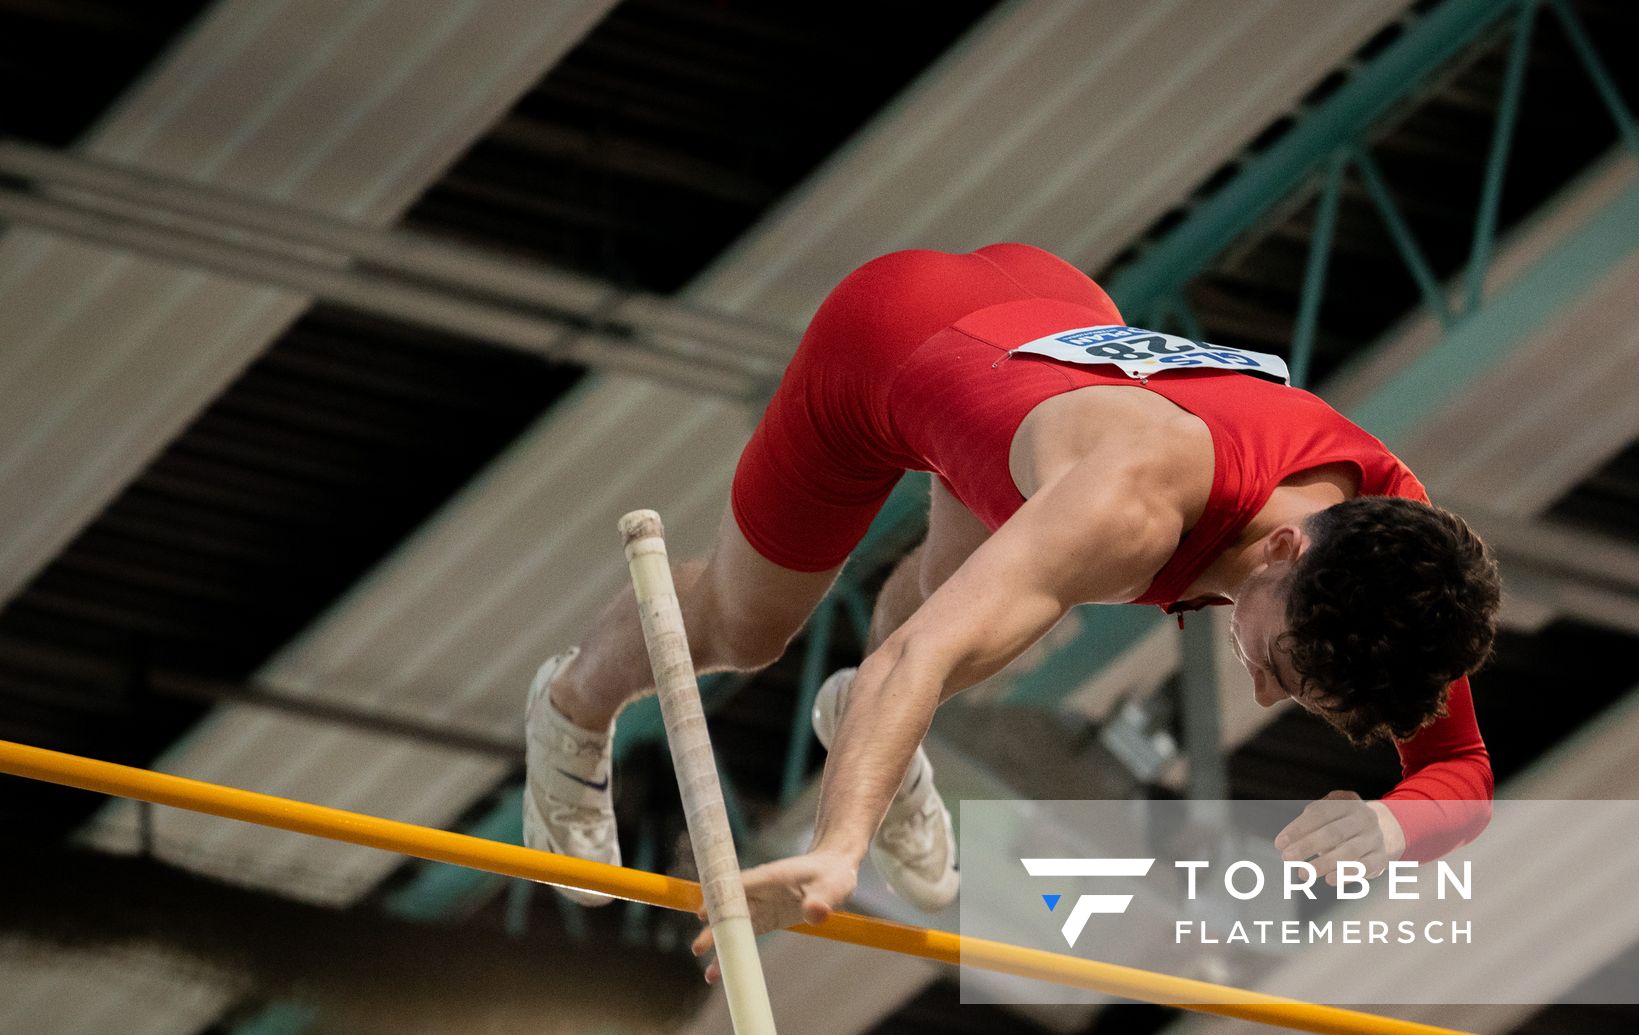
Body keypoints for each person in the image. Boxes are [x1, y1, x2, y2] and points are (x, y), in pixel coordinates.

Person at [522, 243, 1499, 975]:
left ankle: (864, 721)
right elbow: (920, 658)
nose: (1269, 689)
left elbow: (1462, 770)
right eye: (1282, 664)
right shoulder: (1133, 506)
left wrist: (1391, 826)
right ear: (1288, 546)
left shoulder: (1397, 552)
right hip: (886, 345)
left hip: (1050, 313)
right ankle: (572, 708)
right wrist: (837, 848)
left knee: (980, 602)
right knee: (747, 629)